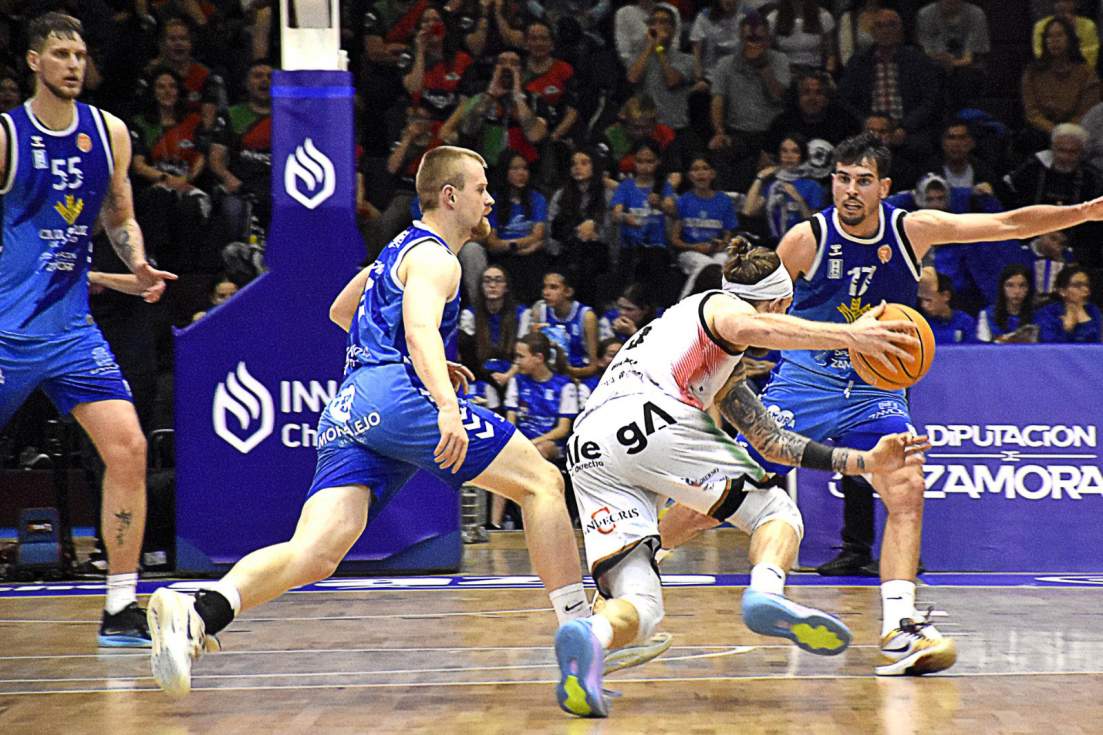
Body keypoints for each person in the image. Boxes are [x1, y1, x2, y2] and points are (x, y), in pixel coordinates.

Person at [147, 146, 607, 697]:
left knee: (315, 552)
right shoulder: (438, 257)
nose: (491, 199)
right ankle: (581, 629)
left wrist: (414, 362)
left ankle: (198, 611)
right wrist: (441, 402)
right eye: (482, 188)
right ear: (450, 196)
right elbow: (418, 330)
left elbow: (342, 311)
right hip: (395, 397)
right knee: (542, 482)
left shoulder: (395, 249)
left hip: (348, 407)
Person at [655, 131, 1103, 677]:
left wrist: (1084, 211)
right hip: (805, 382)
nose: (850, 190)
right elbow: (749, 310)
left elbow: (1006, 225)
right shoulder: (806, 238)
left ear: (883, 187)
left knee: (907, 487)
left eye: (863, 180)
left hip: (876, 391)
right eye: (842, 179)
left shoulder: (913, 229)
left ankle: (900, 626)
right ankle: (634, 555)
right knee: (722, 498)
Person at [555, 237, 930, 718]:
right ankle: (766, 593)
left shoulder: (700, 345)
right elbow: (754, 324)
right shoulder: (720, 308)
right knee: (778, 512)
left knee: (642, 604)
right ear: (777, 303)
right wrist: (851, 336)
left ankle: (592, 635)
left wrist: (865, 462)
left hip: (589, 449)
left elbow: (773, 444)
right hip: (651, 421)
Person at [0, 12, 175, 647]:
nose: (73, 64)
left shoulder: (109, 134)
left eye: (79, 53)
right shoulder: (7, 138)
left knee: (128, 448)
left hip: (73, 332)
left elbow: (118, 215)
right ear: (33, 62)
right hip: (7, 333)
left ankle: (120, 608)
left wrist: (136, 263)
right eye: (60, 54)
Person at [671, 155, 739, 299]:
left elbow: (728, 236)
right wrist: (695, 247)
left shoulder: (724, 201)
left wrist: (720, 245)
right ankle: (683, 305)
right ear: (689, 175)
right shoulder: (684, 200)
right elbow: (675, 240)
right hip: (689, 252)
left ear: (712, 174)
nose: (700, 173)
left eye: (705, 169)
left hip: (716, 251)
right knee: (704, 264)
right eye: (695, 169)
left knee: (722, 262)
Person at [1035, 265, 1102, 342]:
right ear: (1062, 291)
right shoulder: (1047, 313)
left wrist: (1085, 319)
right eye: (1078, 285)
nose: (1086, 290)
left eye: (1087, 285)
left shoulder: (1092, 310)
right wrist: (1067, 330)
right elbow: (1048, 348)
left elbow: (1098, 343)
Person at [976, 264, 1038, 343]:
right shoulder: (987, 315)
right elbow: (982, 349)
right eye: (1010, 285)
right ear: (1002, 288)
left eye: (1022, 285)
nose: (1016, 291)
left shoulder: (1039, 315)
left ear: (1029, 289)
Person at [917, 270, 978, 344]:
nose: (923, 305)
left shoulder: (966, 322)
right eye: (921, 300)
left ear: (946, 296)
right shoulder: (922, 325)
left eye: (928, 300)